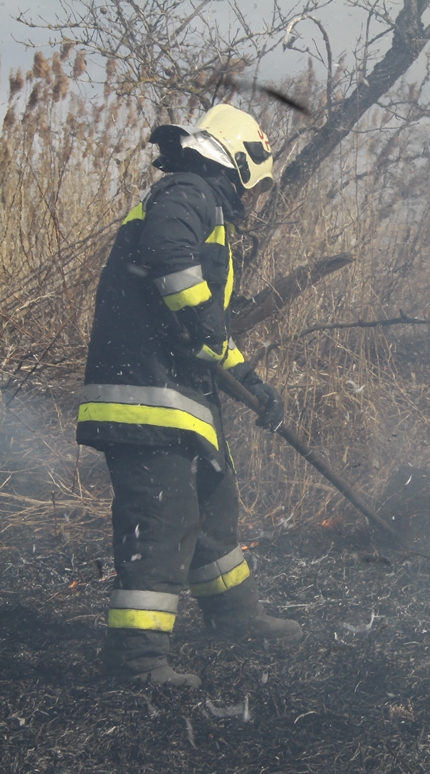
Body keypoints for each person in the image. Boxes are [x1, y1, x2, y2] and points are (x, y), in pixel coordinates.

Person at [76, 104, 300, 689]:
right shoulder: (187, 191)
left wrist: (255, 386)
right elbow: (168, 256)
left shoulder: (202, 205)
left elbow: (208, 331)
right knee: (163, 519)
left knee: (212, 505)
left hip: (174, 399)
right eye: (256, 181)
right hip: (142, 397)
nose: (254, 194)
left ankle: (236, 617)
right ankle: (137, 659)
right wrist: (202, 319)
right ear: (240, 162)